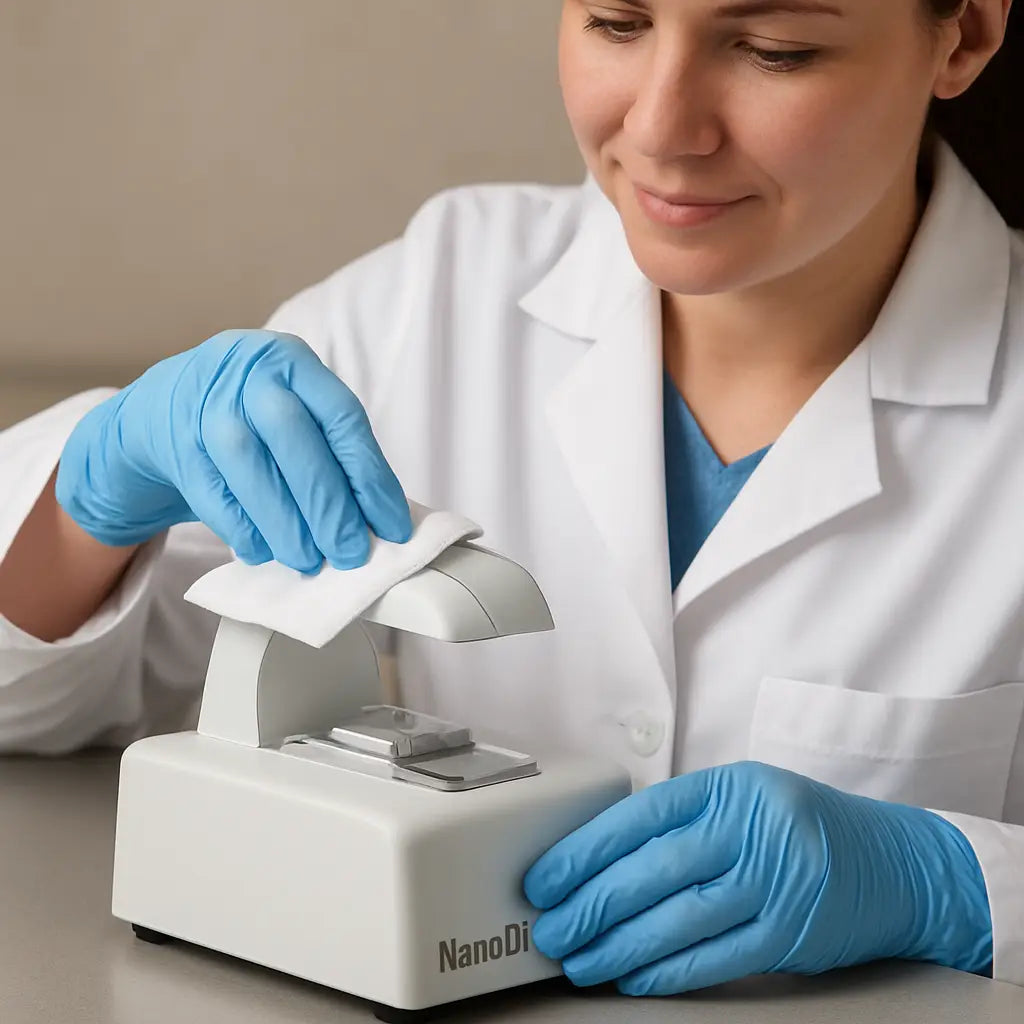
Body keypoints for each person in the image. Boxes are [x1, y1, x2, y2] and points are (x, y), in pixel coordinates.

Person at [0, 0, 1021, 999]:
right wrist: (95, 492)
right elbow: (32, 698)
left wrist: (952, 884)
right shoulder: (443, 293)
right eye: (617, 24)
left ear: (965, 32)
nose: (662, 128)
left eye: (774, 49)